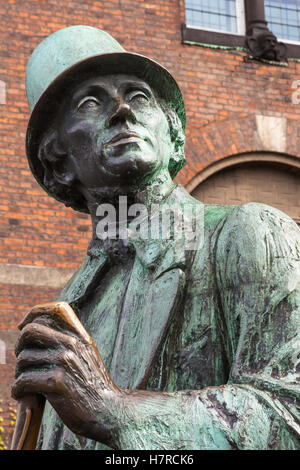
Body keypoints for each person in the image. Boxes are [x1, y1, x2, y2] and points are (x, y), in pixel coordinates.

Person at [12, 26, 300, 450]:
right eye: (89, 102)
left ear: (173, 133)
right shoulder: (67, 307)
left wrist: (113, 410)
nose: (122, 110)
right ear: (59, 163)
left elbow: (289, 415)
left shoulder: (249, 234)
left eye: (139, 96)